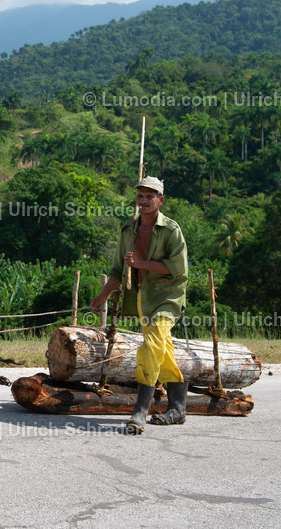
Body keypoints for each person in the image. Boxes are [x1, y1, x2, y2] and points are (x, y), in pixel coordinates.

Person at [90, 176, 188, 434]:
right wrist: (103, 296)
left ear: (160, 200)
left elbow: (178, 270)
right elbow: (117, 269)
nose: (143, 201)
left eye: (149, 196)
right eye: (140, 196)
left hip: (167, 298)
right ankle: (178, 409)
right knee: (162, 349)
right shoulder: (128, 230)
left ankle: (140, 410)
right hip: (142, 298)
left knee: (151, 344)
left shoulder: (171, 230)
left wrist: (141, 264)